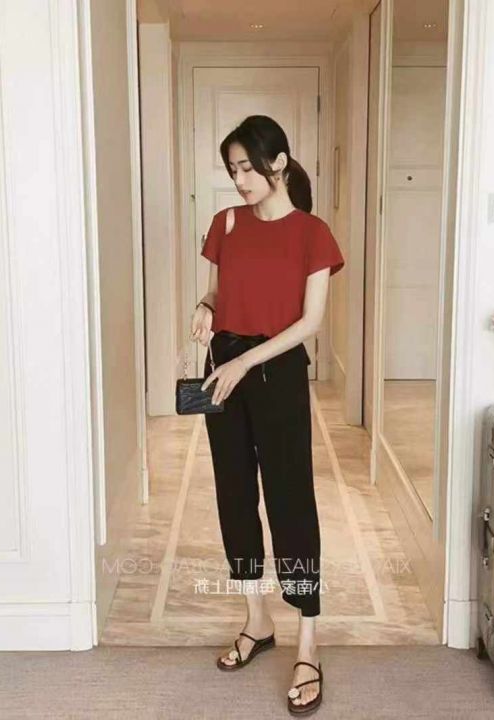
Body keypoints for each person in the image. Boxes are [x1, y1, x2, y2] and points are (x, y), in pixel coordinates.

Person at [190, 115, 344, 714]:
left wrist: (245, 361)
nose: (239, 179)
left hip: (276, 372)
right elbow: (221, 290)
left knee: (289, 499)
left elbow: (309, 323)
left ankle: (308, 640)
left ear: (278, 163)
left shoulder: (313, 233)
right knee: (234, 493)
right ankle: (256, 619)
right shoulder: (226, 223)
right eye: (232, 169)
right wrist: (205, 307)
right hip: (222, 369)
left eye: (248, 167)